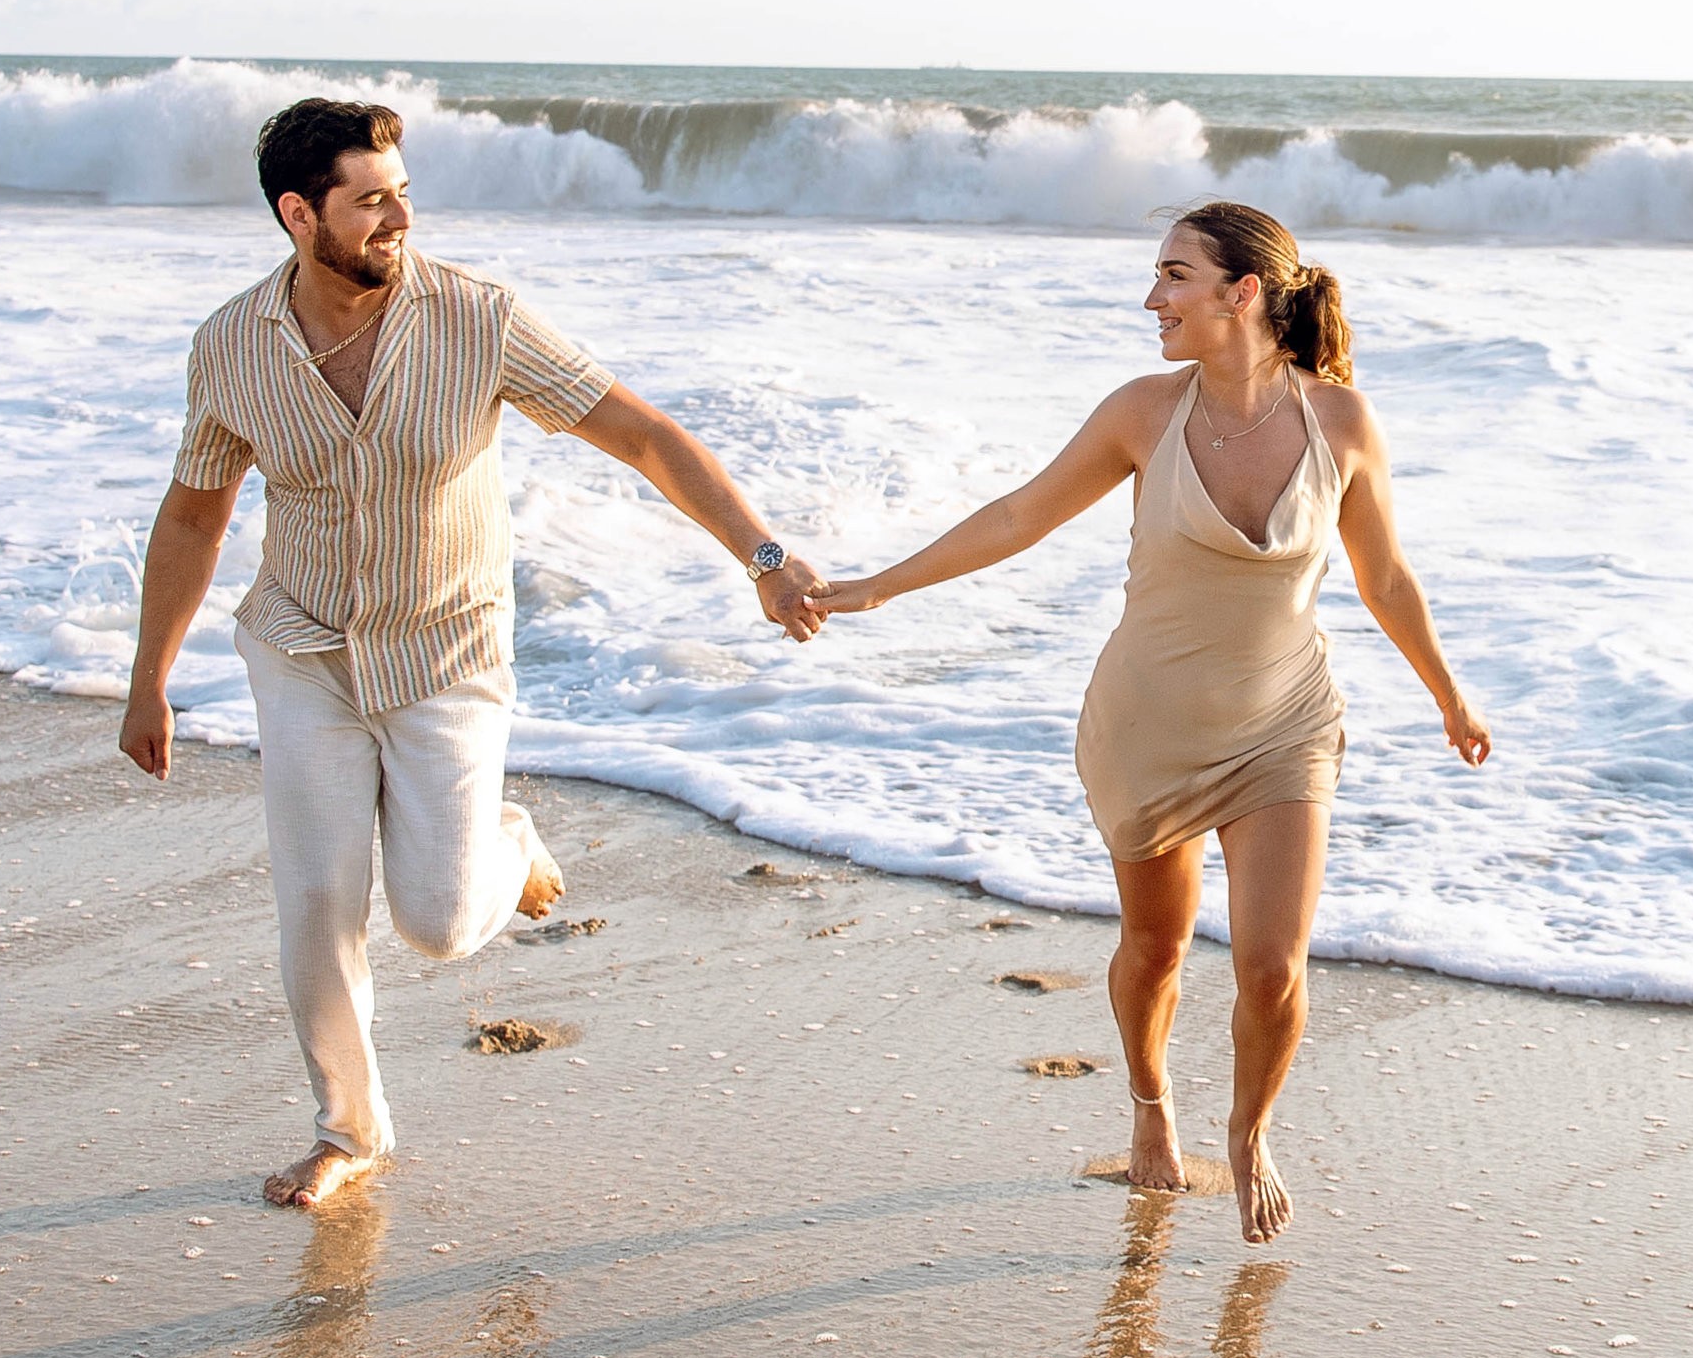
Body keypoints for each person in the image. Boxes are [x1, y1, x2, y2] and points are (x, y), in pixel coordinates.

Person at [121, 98, 827, 1208]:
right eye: (372, 200)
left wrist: (763, 553)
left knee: (441, 923)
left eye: (404, 192)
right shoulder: (231, 347)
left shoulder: (479, 320)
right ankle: (349, 1131)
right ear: (301, 216)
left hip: (445, 648)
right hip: (301, 643)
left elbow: (640, 431)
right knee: (317, 902)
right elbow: (194, 516)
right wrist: (147, 680)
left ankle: (507, 837)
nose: (401, 215)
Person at [810, 201, 1490, 1244]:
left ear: (1242, 293)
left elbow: (1385, 575)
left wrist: (1447, 693)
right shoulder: (1143, 412)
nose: (1152, 297)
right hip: (1148, 729)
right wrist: (881, 589)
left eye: (1175, 276)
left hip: (1285, 725)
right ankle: (1148, 1099)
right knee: (1158, 945)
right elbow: (1016, 515)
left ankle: (1252, 1128)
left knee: (1272, 965)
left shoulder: (1341, 423)